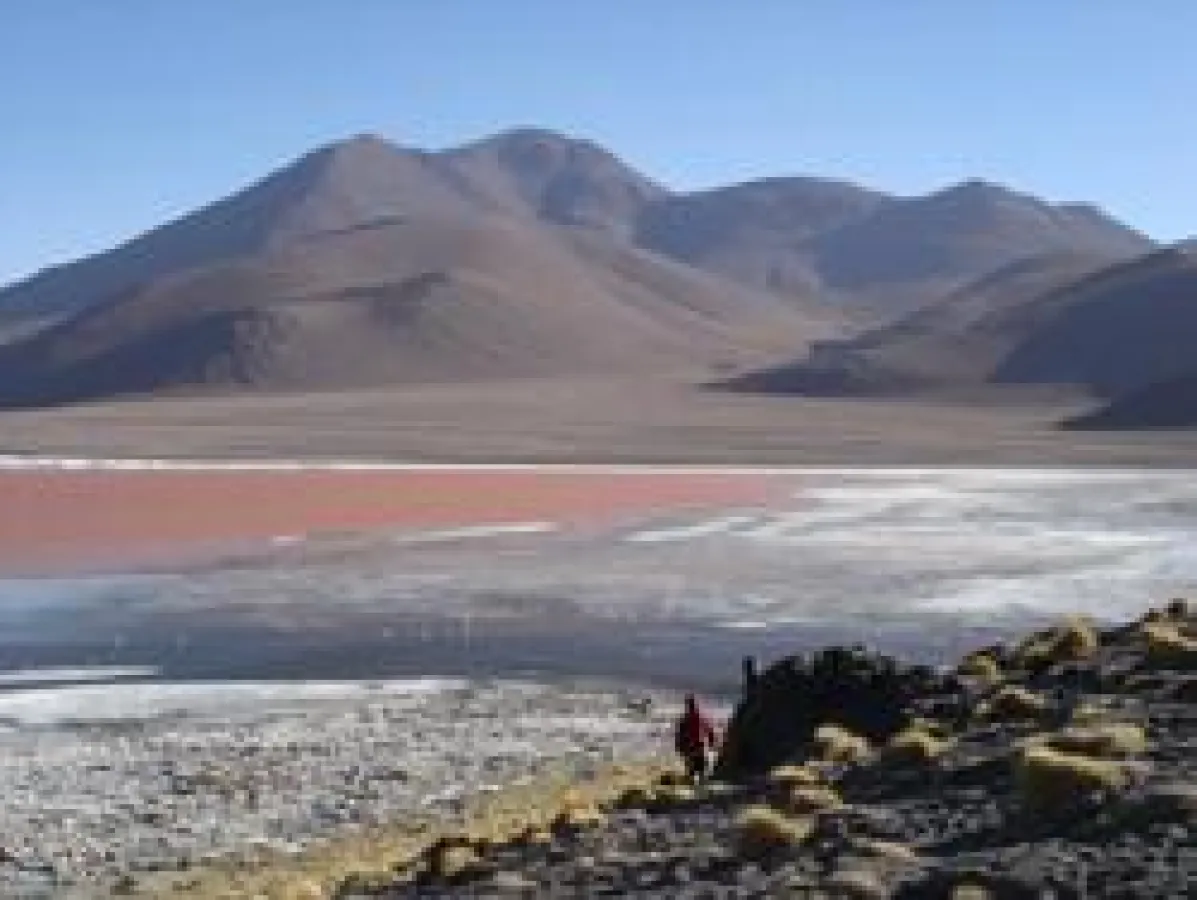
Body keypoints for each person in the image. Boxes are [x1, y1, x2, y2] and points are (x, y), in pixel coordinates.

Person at [674, 694, 719, 782]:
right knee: (700, 767)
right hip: (698, 744)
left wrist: (679, 744)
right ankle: (700, 782)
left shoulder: (687, 718)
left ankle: (694, 781)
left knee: (692, 767)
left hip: (692, 745)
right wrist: (711, 739)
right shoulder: (698, 717)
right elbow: (708, 728)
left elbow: (680, 733)